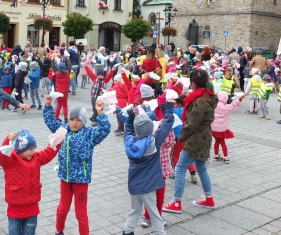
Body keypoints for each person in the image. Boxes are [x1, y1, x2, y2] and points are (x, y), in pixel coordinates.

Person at [43, 96, 111, 235]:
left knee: (81, 213)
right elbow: (51, 122)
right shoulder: (63, 130)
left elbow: (104, 130)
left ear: (84, 121)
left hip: (81, 180)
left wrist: (100, 113)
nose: (74, 123)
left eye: (78, 120)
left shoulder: (89, 134)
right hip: (65, 178)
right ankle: (59, 230)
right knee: (62, 208)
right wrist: (48, 106)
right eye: (72, 119)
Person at [163, 69, 218, 214]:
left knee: (180, 168)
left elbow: (191, 124)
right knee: (201, 168)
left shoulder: (200, 100)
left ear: (193, 84)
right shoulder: (206, 95)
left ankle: (176, 202)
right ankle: (209, 198)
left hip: (196, 138)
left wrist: (179, 139)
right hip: (204, 136)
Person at [122, 102, 174, 235]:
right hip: (148, 186)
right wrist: (168, 109)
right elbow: (166, 125)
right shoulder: (154, 143)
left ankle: (127, 231)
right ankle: (160, 232)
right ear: (151, 129)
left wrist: (130, 117)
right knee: (154, 212)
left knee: (135, 210)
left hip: (134, 185)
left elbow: (128, 129)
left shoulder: (129, 141)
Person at [0, 129, 61, 235]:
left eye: (34, 148)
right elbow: (3, 154)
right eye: (30, 149)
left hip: (31, 209)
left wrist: (58, 141)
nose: (33, 152)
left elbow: (48, 153)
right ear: (20, 149)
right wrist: (7, 140)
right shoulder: (10, 160)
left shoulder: (36, 158)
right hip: (15, 209)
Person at [212, 91, 244, 164]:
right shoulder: (226, 107)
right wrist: (239, 99)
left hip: (214, 128)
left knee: (216, 141)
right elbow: (234, 105)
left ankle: (216, 155)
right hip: (222, 128)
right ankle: (226, 157)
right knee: (222, 142)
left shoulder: (213, 105)